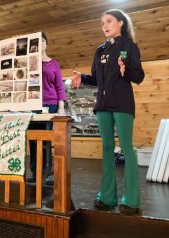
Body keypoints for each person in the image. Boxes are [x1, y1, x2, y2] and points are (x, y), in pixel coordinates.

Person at [71, 9, 144, 215]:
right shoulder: (100, 50)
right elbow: (96, 79)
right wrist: (83, 78)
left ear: (120, 23)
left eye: (109, 21)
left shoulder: (129, 46)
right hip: (102, 105)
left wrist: (126, 71)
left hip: (122, 104)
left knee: (127, 148)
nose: (105, 25)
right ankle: (107, 196)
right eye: (102, 22)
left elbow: (139, 76)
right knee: (106, 148)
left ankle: (131, 200)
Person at [27, 32, 66, 186]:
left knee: (46, 141)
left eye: (42, 41)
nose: (40, 44)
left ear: (46, 44)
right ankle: (35, 174)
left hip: (50, 105)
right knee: (33, 141)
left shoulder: (53, 63)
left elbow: (59, 86)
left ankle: (47, 174)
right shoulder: (30, 62)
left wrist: (61, 107)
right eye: (37, 42)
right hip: (32, 105)